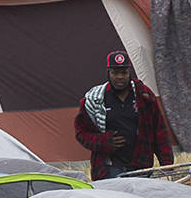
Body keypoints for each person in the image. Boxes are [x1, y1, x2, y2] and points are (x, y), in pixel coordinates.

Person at [74, 50, 173, 179]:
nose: (120, 77)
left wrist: (167, 166)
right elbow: (81, 133)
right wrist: (103, 141)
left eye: (123, 72)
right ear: (108, 73)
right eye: (115, 73)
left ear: (129, 73)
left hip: (141, 165)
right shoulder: (96, 99)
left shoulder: (144, 96)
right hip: (109, 167)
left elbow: (159, 132)